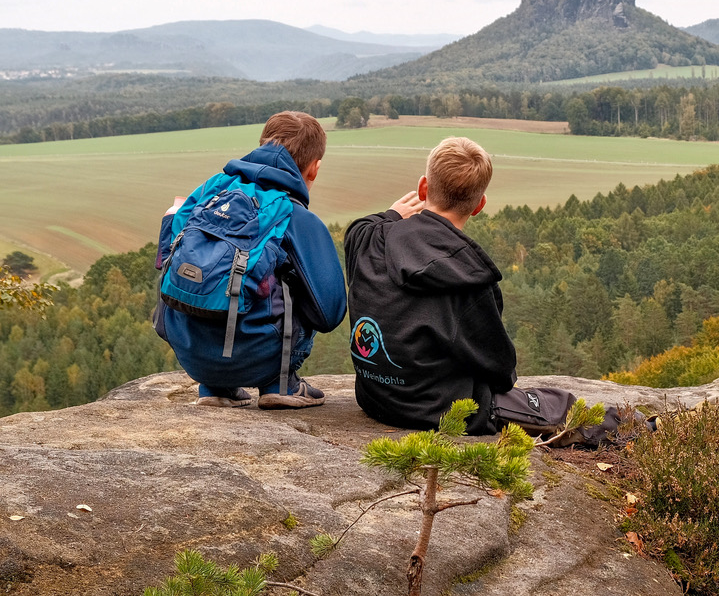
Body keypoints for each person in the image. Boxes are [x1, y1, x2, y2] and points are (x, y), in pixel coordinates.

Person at [346, 136, 578, 436]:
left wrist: (391, 215)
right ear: (479, 205)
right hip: (439, 411)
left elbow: (357, 230)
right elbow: (500, 371)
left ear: (422, 188)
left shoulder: (371, 240)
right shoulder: (469, 279)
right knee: (561, 408)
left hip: (373, 397)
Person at [154, 111, 347, 409]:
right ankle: (280, 385)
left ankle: (215, 388)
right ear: (314, 169)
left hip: (190, 353)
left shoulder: (210, 191)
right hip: (261, 358)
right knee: (297, 285)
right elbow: (329, 313)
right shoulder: (295, 215)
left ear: (261, 145)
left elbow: (166, 260)